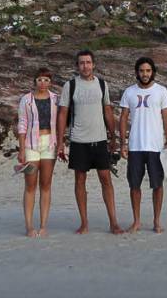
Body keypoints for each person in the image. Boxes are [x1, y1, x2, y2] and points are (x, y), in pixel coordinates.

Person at [56, 49, 123, 234]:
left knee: (106, 179)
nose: (85, 66)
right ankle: (84, 223)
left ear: (94, 64)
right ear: (77, 66)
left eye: (88, 62)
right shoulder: (70, 86)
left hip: (100, 139)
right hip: (78, 141)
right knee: (80, 180)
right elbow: (62, 114)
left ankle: (114, 223)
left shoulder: (102, 85)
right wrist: (60, 140)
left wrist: (113, 136)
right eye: (81, 63)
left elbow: (108, 110)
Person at [119, 56, 167, 233]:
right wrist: (123, 143)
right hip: (135, 146)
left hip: (156, 146)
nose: (145, 74)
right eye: (142, 71)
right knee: (134, 185)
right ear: (137, 72)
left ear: (153, 72)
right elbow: (124, 118)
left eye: (148, 70)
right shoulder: (129, 92)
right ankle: (136, 221)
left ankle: (157, 221)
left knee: (157, 185)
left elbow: (166, 116)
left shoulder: (161, 91)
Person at [17, 67, 59, 237]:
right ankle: (29, 226)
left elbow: (61, 121)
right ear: (35, 81)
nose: (43, 83)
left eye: (46, 80)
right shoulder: (26, 99)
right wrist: (21, 149)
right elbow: (22, 123)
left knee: (46, 184)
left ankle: (43, 225)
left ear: (50, 82)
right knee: (30, 185)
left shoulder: (56, 99)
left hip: (50, 145)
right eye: (40, 79)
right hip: (30, 145)